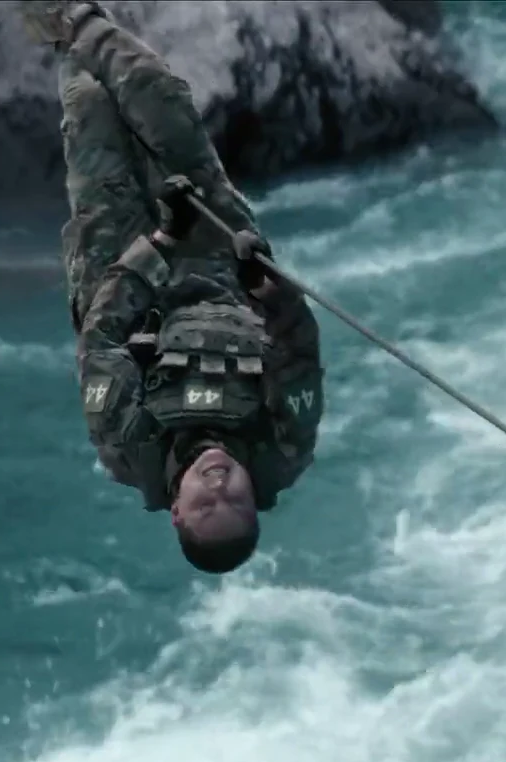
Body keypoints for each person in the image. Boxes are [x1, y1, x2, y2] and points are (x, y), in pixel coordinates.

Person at [23, 1, 325, 574]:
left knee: (90, 104)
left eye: (206, 505)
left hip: (121, 271)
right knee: (160, 98)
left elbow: (102, 341)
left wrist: (160, 243)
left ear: (177, 514)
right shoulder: (283, 450)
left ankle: (65, 30)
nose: (220, 487)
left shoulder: (130, 450)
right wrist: (270, 290)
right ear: (257, 503)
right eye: (237, 503)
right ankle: (79, 18)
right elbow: (298, 351)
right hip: (222, 267)